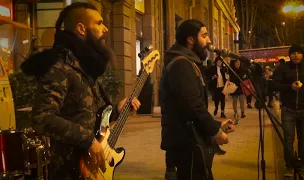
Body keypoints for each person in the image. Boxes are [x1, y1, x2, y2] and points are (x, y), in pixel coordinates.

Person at [20, 2, 141, 179]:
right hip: (69, 170)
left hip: (92, 169)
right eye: (99, 23)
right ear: (81, 29)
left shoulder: (83, 65)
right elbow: (42, 117)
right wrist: (88, 140)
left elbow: (88, 115)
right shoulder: (59, 66)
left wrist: (116, 111)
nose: (106, 29)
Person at [160, 19, 234, 180]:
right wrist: (214, 130)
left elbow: (191, 104)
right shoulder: (181, 64)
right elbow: (191, 105)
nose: (209, 41)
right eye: (204, 35)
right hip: (186, 142)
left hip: (190, 138)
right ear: (191, 40)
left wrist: (216, 124)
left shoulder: (188, 62)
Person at [274, 44, 304, 177]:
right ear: (290, 55)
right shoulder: (283, 68)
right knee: (288, 139)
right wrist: (289, 87)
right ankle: (290, 166)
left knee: (303, 140)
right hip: (288, 110)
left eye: (299, 53)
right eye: (294, 53)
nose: (296, 55)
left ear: (303, 55)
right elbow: (274, 84)